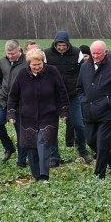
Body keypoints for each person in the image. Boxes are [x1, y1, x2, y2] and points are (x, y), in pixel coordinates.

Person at [6, 48, 69, 181]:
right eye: (34, 65)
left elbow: (62, 92)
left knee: (44, 142)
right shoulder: (22, 75)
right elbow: (13, 96)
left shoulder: (52, 72)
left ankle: (44, 176)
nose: (37, 67)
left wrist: (63, 110)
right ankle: (36, 175)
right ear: (29, 64)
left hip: (48, 115)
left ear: (43, 62)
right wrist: (11, 113)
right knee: (31, 146)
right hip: (28, 117)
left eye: (39, 64)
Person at [77, 40, 111, 178]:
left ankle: (99, 174)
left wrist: (108, 101)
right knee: (90, 141)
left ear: (105, 52)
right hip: (89, 111)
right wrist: (84, 101)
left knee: (102, 143)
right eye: (93, 53)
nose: (96, 56)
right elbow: (79, 88)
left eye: (99, 53)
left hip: (108, 113)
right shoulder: (85, 67)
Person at [44, 30, 90, 164]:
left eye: (64, 44)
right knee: (52, 127)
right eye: (59, 44)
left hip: (72, 96)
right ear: (55, 43)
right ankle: (54, 156)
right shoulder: (46, 54)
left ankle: (82, 150)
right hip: (53, 97)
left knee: (79, 125)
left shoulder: (77, 53)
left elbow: (83, 73)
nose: (61, 47)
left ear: (68, 44)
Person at [0, 40, 27, 163]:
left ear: (19, 50)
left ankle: (22, 160)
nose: (10, 56)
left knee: (21, 132)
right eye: (8, 53)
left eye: (13, 53)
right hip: (4, 101)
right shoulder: (3, 61)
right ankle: (9, 148)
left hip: (20, 104)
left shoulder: (26, 62)